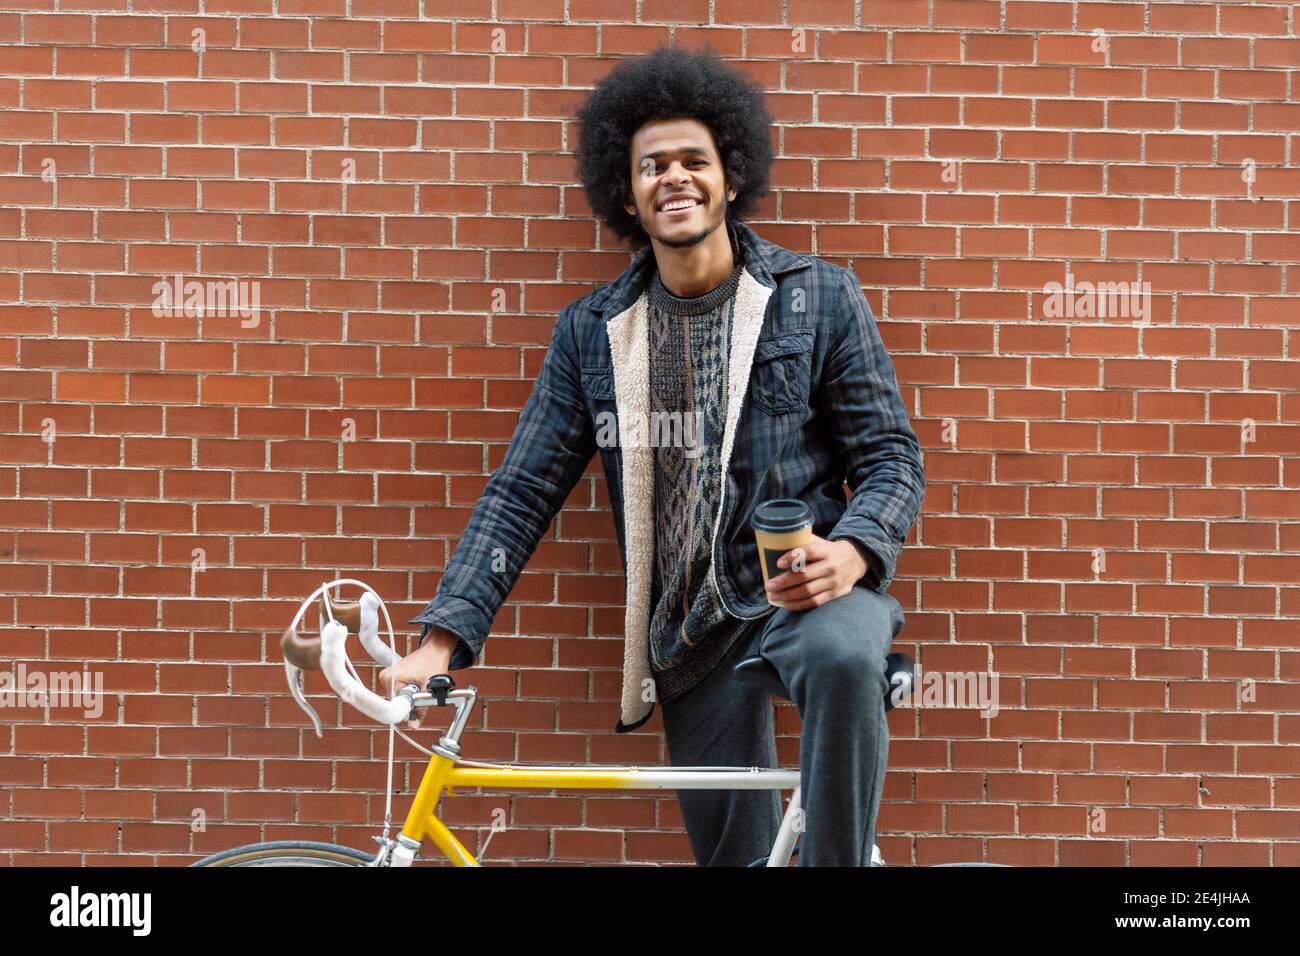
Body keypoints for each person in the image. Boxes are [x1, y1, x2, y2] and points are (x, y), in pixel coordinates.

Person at [380, 45, 925, 866]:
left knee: (847, 658)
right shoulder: (592, 333)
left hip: (804, 600)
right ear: (628, 195)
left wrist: (852, 551)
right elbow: (523, 490)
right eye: (652, 166)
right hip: (689, 638)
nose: (675, 177)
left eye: (694, 161)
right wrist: (443, 640)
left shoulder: (819, 297)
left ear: (731, 177)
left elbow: (892, 458)